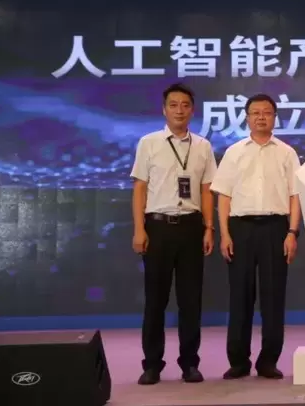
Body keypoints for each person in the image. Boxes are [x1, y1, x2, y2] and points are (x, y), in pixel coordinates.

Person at [130, 83, 218, 385]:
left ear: (192, 110)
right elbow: (140, 188)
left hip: (192, 227)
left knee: (190, 301)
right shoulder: (149, 143)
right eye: (173, 105)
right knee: (155, 300)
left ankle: (190, 363)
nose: (179, 110)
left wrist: (209, 227)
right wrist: (139, 229)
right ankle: (152, 364)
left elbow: (207, 190)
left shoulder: (203, 146)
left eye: (185, 105)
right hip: (157, 227)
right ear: (164, 109)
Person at [210, 93, 302, 380]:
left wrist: (292, 232)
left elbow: (295, 196)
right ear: (247, 118)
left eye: (267, 112)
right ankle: (238, 361)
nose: (261, 117)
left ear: (274, 117)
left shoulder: (286, 153)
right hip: (241, 228)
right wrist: (225, 234)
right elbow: (224, 196)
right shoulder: (234, 152)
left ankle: (268, 361)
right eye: (255, 113)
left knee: (273, 297)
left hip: (276, 228)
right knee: (240, 296)